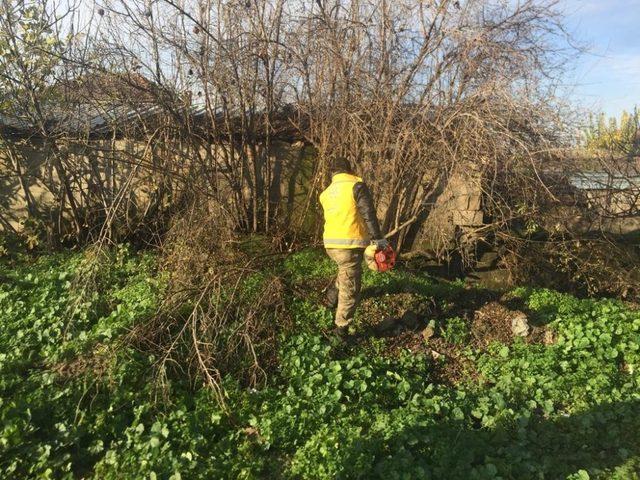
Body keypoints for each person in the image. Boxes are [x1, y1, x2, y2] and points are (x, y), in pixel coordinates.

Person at [319, 157, 388, 336]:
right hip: (349, 245)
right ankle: (340, 330)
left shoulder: (326, 193)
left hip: (330, 245)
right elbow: (368, 213)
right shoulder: (356, 186)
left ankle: (331, 296)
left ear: (332, 173)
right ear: (349, 170)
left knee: (345, 270)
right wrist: (378, 240)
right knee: (351, 289)